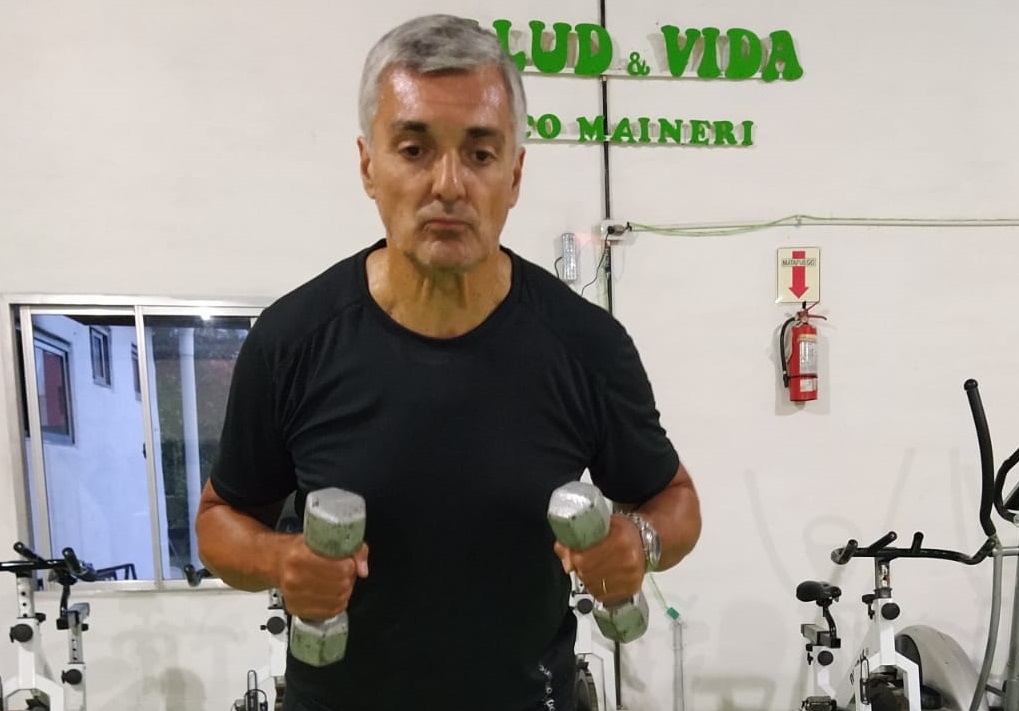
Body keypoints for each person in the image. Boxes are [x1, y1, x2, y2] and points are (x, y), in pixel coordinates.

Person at [195, 13, 701, 711]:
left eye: (480, 153)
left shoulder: (585, 345)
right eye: (414, 149)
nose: (449, 184)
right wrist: (280, 560)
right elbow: (219, 518)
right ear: (368, 166)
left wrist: (639, 541)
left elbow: (676, 501)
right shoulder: (293, 340)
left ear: (514, 174)